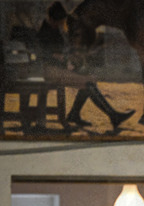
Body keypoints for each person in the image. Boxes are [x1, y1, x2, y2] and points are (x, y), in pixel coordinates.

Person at [36, 1, 134, 131]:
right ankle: (112, 115)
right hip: (50, 71)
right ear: (52, 19)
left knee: (90, 79)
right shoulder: (44, 32)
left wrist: (69, 59)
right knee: (88, 83)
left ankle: (75, 114)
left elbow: (60, 53)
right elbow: (45, 55)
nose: (61, 24)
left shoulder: (54, 30)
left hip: (59, 68)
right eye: (60, 22)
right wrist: (62, 58)